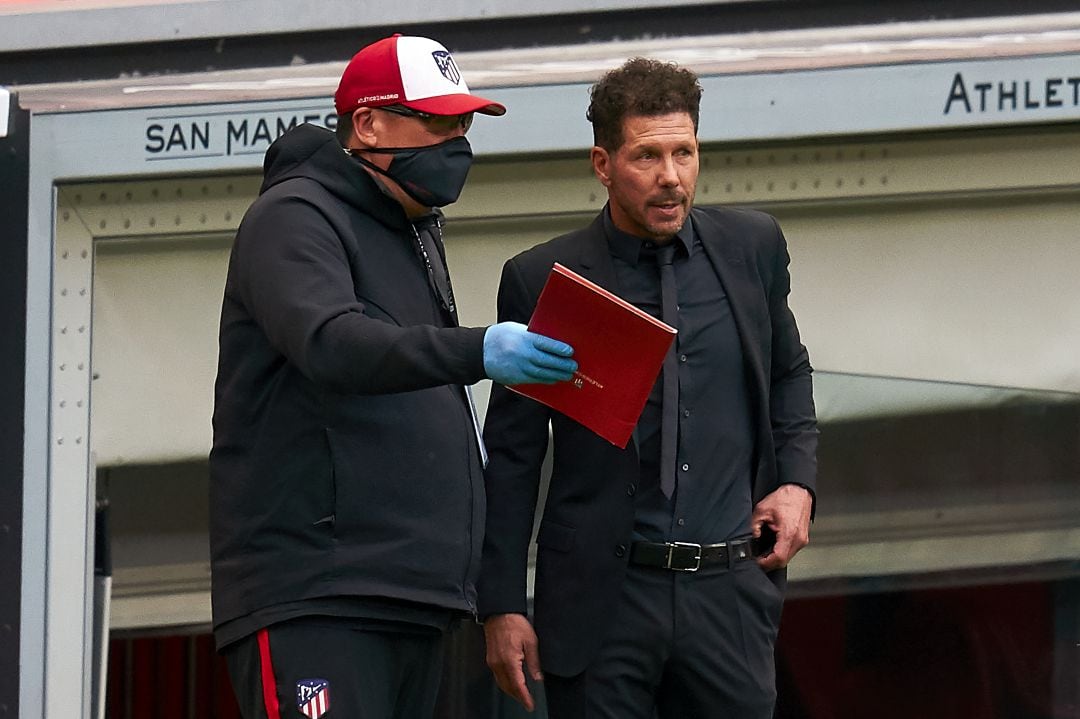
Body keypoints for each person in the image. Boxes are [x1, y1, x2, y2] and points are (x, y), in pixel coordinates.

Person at [208, 34, 577, 719]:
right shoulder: (293, 216)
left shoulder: (413, 228)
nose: (456, 141)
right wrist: (479, 350)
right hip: (319, 596)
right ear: (368, 124)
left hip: (414, 597)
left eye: (462, 124)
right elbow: (332, 343)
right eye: (436, 121)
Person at [478, 57, 818, 718]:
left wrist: (798, 483)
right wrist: (500, 604)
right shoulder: (544, 277)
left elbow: (788, 373)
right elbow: (513, 456)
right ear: (602, 164)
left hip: (729, 592)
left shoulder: (752, 247)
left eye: (684, 152)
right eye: (647, 156)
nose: (670, 177)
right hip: (602, 603)